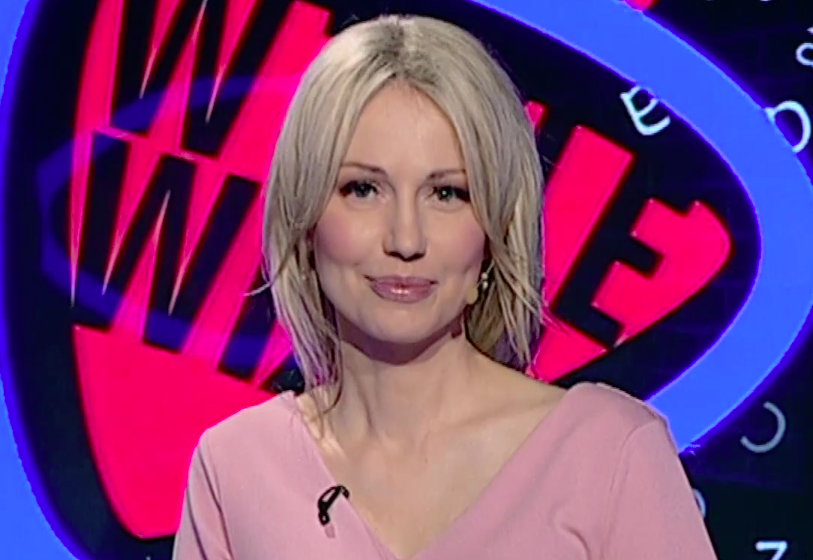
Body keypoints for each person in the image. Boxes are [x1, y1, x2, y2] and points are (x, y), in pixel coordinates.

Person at [172, 13, 719, 560]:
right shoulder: (235, 467)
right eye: (363, 189)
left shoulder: (610, 453)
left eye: (447, 194)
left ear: (493, 232)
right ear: (306, 217)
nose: (406, 239)